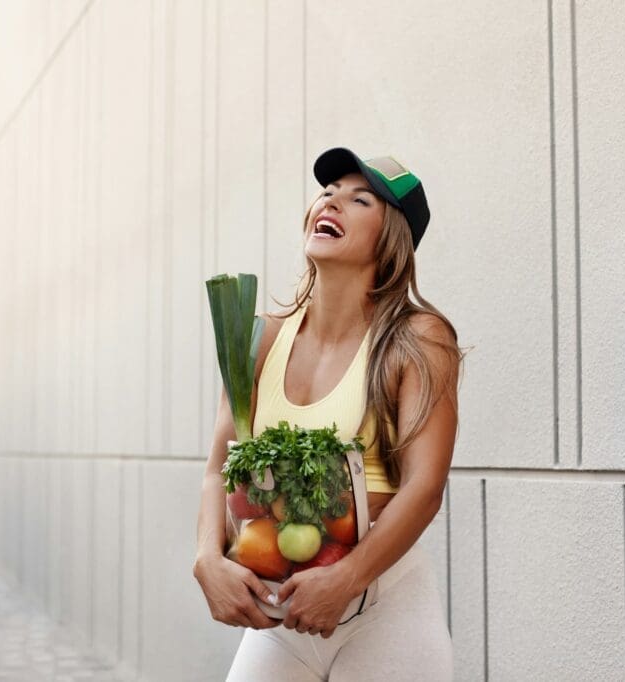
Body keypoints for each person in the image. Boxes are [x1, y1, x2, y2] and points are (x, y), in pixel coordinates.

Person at [193, 147, 462, 681]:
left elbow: (424, 487)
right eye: (327, 193)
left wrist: (346, 580)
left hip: (384, 610)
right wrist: (206, 558)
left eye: (359, 199)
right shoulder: (258, 338)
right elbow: (217, 469)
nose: (332, 203)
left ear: (391, 239)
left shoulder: (417, 339)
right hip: (280, 616)